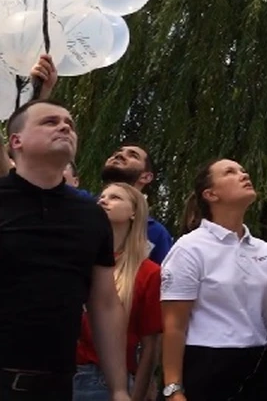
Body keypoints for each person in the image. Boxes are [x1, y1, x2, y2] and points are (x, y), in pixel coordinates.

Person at [0, 99, 130, 401]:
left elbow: (105, 303)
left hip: (57, 385)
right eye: (49, 122)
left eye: (69, 124)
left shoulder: (91, 214)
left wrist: (120, 389)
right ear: (16, 141)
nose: (64, 127)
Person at [160, 159, 267, 401]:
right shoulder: (189, 248)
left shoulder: (263, 250)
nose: (243, 174)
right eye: (230, 172)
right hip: (206, 364)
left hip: (257, 366)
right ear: (210, 194)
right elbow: (173, 326)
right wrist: (173, 388)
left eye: (243, 170)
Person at [75, 183, 162, 401]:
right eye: (102, 196)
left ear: (134, 212)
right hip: (58, 374)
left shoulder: (148, 272)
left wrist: (137, 396)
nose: (103, 200)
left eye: (115, 198)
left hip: (105, 381)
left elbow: (151, 346)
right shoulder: (78, 261)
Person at [102, 144, 174, 264]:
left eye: (133, 155)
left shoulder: (156, 233)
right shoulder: (80, 208)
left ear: (146, 177)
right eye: (117, 153)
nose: (119, 155)